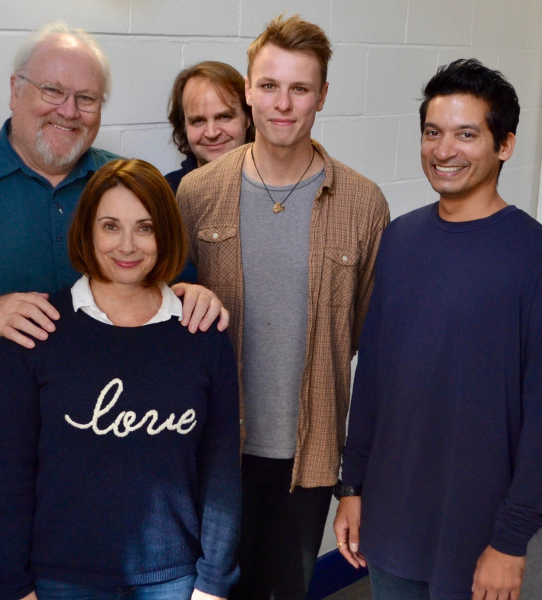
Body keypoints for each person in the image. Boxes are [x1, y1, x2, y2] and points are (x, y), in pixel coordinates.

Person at [0, 22, 229, 600]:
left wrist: (196, 294)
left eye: (87, 98)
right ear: (14, 90)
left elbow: (172, 287)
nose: (68, 111)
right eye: (52, 91)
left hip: (115, 485)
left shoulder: (126, 186)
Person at [177, 15, 390, 599]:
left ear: (322, 96)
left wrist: (359, 479)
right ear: (248, 90)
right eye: (269, 85)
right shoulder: (197, 194)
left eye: (300, 88)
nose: (283, 104)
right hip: (212, 445)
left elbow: (371, 346)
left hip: (310, 453)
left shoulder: (364, 204)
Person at [334, 58, 542, 600]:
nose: (444, 150)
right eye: (433, 132)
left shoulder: (533, 255)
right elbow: (373, 375)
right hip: (393, 521)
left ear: (505, 145)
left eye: (466, 134)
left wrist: (511, 541)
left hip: (479, 537)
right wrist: (351, 487)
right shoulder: (400, 239)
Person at [0, 158, 241, 600]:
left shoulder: (201, 333)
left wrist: (213, 584)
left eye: (145, 227)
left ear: (166, 233)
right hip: (59, 579)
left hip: (175, 580)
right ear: (87, 230)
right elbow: (11, 471)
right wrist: (14, 584)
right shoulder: (38, 333)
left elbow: (221, 470)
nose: (127, 245)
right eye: (110, 226)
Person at [165, 61, 254, 192]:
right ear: (184, 126)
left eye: (224, 117)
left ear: (247, 119)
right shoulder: (165, 194)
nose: (212, 133)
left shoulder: (273, 187)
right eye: (198, 121)